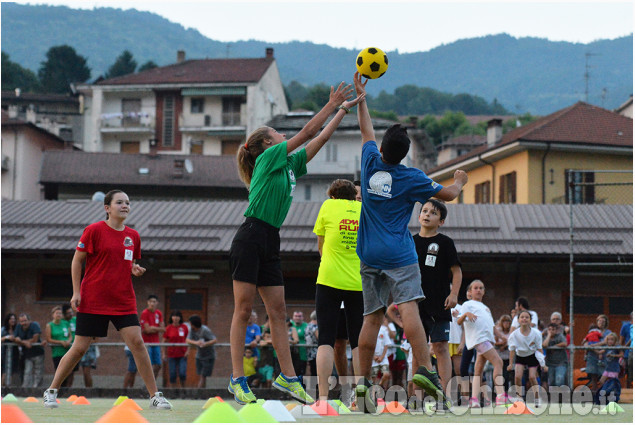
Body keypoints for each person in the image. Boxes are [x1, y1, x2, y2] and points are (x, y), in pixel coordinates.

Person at [228, 80, 363, 405]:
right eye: (277, 134)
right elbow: (304, 134)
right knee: (244, 309)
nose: (283, 137)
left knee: (278, 310)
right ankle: (237, 378)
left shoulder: (287, 166)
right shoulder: (267, 160)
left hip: (270, 239)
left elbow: (320, 138)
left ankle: (288, 377)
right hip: (250, 236)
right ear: (265, 144)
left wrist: (343, 111)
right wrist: (330, 104)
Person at [352, 72, 466, 413]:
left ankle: (361, 386)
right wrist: (459, 181)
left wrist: (362, 98)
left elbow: (366, 131)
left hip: (368, 251)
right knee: (410, 308)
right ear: (404, 154)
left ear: (383, 149)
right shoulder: (411, 176)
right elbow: (447, 194)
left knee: (371, 318)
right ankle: (426, 372)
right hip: (399, 253)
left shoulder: (370, 161)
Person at [42, 190, 171, 409]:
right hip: (93, 299)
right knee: (80, 348)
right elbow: (76, 262)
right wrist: (76, 292)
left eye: (128, 203)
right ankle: (51, 391)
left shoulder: (133, 236)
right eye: (119, 202)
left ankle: (155, 396)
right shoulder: (93, 231)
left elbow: (126, 263)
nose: (125, 206)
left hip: (123, 300)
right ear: (107, 208)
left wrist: (134, 269)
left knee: (138, 343)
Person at [312, 178, 364, 402]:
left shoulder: (327, 206)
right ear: (355, 195)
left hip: (328, 279)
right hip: (358, 282)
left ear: (332, 195)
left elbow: (321, 244)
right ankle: (362, 395)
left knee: (326, 339)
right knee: (359, 341)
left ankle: (323, 397)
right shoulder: (364, 210)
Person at [413, 199, 462, 394]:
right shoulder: (410, 241)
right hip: (416, 302)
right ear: (418, 216)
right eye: (424, 211)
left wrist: (454, 294)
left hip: (440, 302)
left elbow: (456, 271)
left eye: (433, 213)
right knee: (418, 350)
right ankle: (415, 395)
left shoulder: (445, 242)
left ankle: (445, 394)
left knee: (441, 347)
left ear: (441, 221)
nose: (427, 215)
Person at [456, 280, 507, 407]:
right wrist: (466, 314)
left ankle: (474, 400)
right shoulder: (467, 304)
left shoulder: (485, 308)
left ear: (484, 291)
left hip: (486, 339)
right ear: (470, 291)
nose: (478, 290)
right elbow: (459, 321)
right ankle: (500, 395)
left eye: (481, 288)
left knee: (478, 370)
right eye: (475, 288)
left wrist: (502, 337)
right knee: (498, 362)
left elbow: (492, 325)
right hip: (479, 339)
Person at [507, 310, 544, 406]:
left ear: (530, 320)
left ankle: (537, 398)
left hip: (532, 356)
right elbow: (512, 350)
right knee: (517, 377)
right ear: (518, 320)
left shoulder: (536, 333)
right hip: (520, 356)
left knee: (532, 377)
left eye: (527, 317)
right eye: (522, 317)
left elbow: (540, 349)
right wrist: (511, 363)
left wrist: (543, 363)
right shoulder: (514, 334)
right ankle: (519, 398)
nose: (524, 319)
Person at [14, 313, 45, 388]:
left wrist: (22, 341)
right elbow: (15, 339)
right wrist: (25, 342)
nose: (23, 323)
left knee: (38, 372)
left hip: (38, 353)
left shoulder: (35, 325)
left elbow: (35, 339)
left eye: (25, 321)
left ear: (29, 320)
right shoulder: (18, 327)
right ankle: (26, 389)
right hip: (27, 354)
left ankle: (37, 389)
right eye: (21, 321)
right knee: (27, 371)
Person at [44, 306, 73, 387]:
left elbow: (70, 336)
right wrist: (60, 342)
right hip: (57, 352)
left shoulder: (65, 323)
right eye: (57, 313)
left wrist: (68, 341)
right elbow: (49, 339)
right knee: (59, 372)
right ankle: (59, 389)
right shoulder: (50, 325)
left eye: (60, 313)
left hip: (66, 351)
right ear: (53, 314)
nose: (59, 315)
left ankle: (67, 389)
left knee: (69, 371)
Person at [186, 315, 217, 389]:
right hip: (199, 355)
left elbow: (214, 340)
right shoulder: (192, 330)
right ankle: (201, 389)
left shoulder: (205, 330)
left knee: (204, 375)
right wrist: (196, 343)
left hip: (208, 355)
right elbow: (187, 340)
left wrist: (205, 344)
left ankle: (199, 390)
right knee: (200, 374)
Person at [584, 314, 612, 393]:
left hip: (603, 355)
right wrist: (587, 346)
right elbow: (586, 340)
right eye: (599, 321)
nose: (601, 323)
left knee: (603, 373)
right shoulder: (593, 330)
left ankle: (604, 390)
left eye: (603, 321)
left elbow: (607, 342)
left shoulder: (608, 332)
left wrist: (596, 346)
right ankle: (594, 389)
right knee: (593, 373)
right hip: (592, 355)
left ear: (606, 322)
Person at [140, 295, 165, 378]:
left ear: (157, 303)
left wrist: (153, 327)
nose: (152, 303)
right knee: (148, 366)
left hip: (156, 343)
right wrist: (156, 328)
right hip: (147, 343)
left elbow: (163, 329)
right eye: (150, 301)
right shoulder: (145, 313)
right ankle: (147, 385)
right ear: (147, 302)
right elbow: (147, 330)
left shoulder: (159, 313)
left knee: (158, 365)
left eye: (154, 302)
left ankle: (153, 383)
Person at [594, 332, 623, 403]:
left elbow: (621, 354)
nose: (610, 341)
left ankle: (613, 395)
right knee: (601, 381)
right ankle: (606, 392)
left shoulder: (616, 348)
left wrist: (613, 356)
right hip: (607, 369)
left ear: (615, 341)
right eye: (609, 340)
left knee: (613, 382)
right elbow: (600, 352)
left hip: (614, 369)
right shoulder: (607, 348)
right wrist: (593, 348)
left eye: (612, 340)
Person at [163, 310, 189, 388]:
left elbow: (189, 340)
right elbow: (163, 341)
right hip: (171, 354)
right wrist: (164, 354)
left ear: (180, 318)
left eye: (177, 316)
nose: (175, 318)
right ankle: (173, 392)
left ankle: (183, 391)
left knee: (182, 373)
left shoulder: (184, 327)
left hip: (182, 354)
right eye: (174, 316)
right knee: (172, 374)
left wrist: (188, 351)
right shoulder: (168, 328)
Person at [543, 322, 568, 388]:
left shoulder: (560, 336)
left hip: (561, 363)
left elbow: (564, 344)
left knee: (559, 380)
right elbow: (544, 345)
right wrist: (548, 335)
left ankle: (561, 396)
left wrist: (555, 346)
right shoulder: (545, 337)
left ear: (556, 330)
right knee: (551, 381)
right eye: (549, 329)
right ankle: (554, 397)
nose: (551, 331)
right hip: (550, 363)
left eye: (553, 329)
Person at [371, 318, 392, 391]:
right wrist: (373, 356)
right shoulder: (370, 330)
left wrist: (382, 357)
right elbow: (368, 345)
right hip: (373, 359)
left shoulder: (383, 330)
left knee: (386, 374)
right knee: (373, 378)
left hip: (383, 358)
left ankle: (380, 385)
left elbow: (386, 344)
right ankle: (373, 396)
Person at [61, 304, 79, 387]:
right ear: (64, 314)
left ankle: (69, 389)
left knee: (72, 370)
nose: (71, 314)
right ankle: (61, 388)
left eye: (71, 312)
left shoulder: (76, 320)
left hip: (75, 348)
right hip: (64, 350)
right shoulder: (62, 322)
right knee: (63, 370)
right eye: (68, 313)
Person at [1, 313, 21, 386]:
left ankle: (9, 387)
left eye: (14, 319)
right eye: (11, 319)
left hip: (14, 352)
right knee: (4, 370)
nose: (13, 320)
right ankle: (3, 387)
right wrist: (7, 337)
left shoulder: (17, 329)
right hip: (5, 352)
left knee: (12, 370)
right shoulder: (3, 329)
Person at [495, 314, 512, 390]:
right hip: (498, 356)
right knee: (498, 375)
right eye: (504, 321)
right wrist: (502, 344)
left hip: (508, 357)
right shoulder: (498, 331)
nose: (506, 323)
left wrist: (504, 346)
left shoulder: (511, 331)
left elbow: (511, 342)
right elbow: (494, 342)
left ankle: (506, 392)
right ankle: (497, 392)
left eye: (508, 321)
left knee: (506, 376)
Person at [291, 311, 308, 376]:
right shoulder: (289, 324)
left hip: (302, 353)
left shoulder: (306, 326)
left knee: (300, 373)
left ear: (303, 317)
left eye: (299, 316)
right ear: (293, 317)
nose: (297, 318)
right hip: (291, 354)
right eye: (296, 316)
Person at [619, 312, 632, 388]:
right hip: (628, 353)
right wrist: (621, 351)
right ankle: (628, 390)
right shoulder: (625, 326)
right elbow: (621, 341)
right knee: (628, 373)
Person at [305, 311, 318, 376]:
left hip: (310, 352)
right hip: (316, 352)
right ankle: (317, 386)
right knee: (316, 371)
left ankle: (313, 385)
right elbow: (319, 338)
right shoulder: (315, 327)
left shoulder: (308, 325)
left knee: (313, 370)